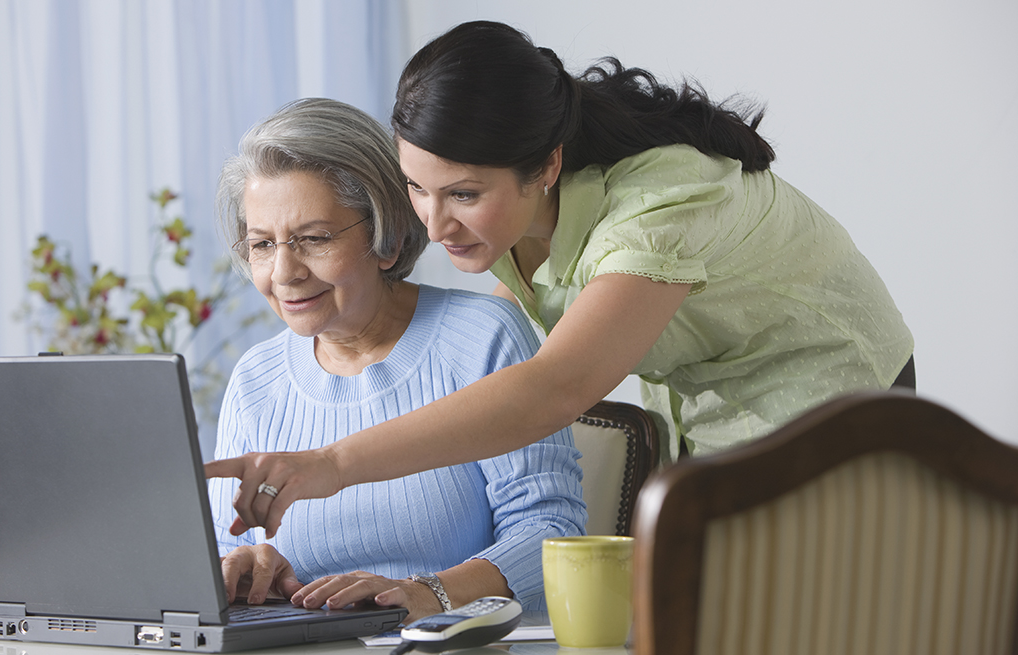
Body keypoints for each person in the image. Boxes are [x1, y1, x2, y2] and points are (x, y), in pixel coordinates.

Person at [207, 21, 913, 541]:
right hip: (709, 406)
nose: (434, 222)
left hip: (835, 396)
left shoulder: (656, 207)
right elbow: (490, 378)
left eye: (462, 194)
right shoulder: (508, 227)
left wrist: (333, 462)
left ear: (545, 166)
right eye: (418, 188)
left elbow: (555, 386)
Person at [204, 97, 586, 622]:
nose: (284, 272)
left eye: (313, 239)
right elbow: (222, 553)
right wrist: (247, 564)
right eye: (263, 244)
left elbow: (552, 529)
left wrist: (428, 593)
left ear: (386, 237)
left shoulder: (481, 337)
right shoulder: (255, 379)